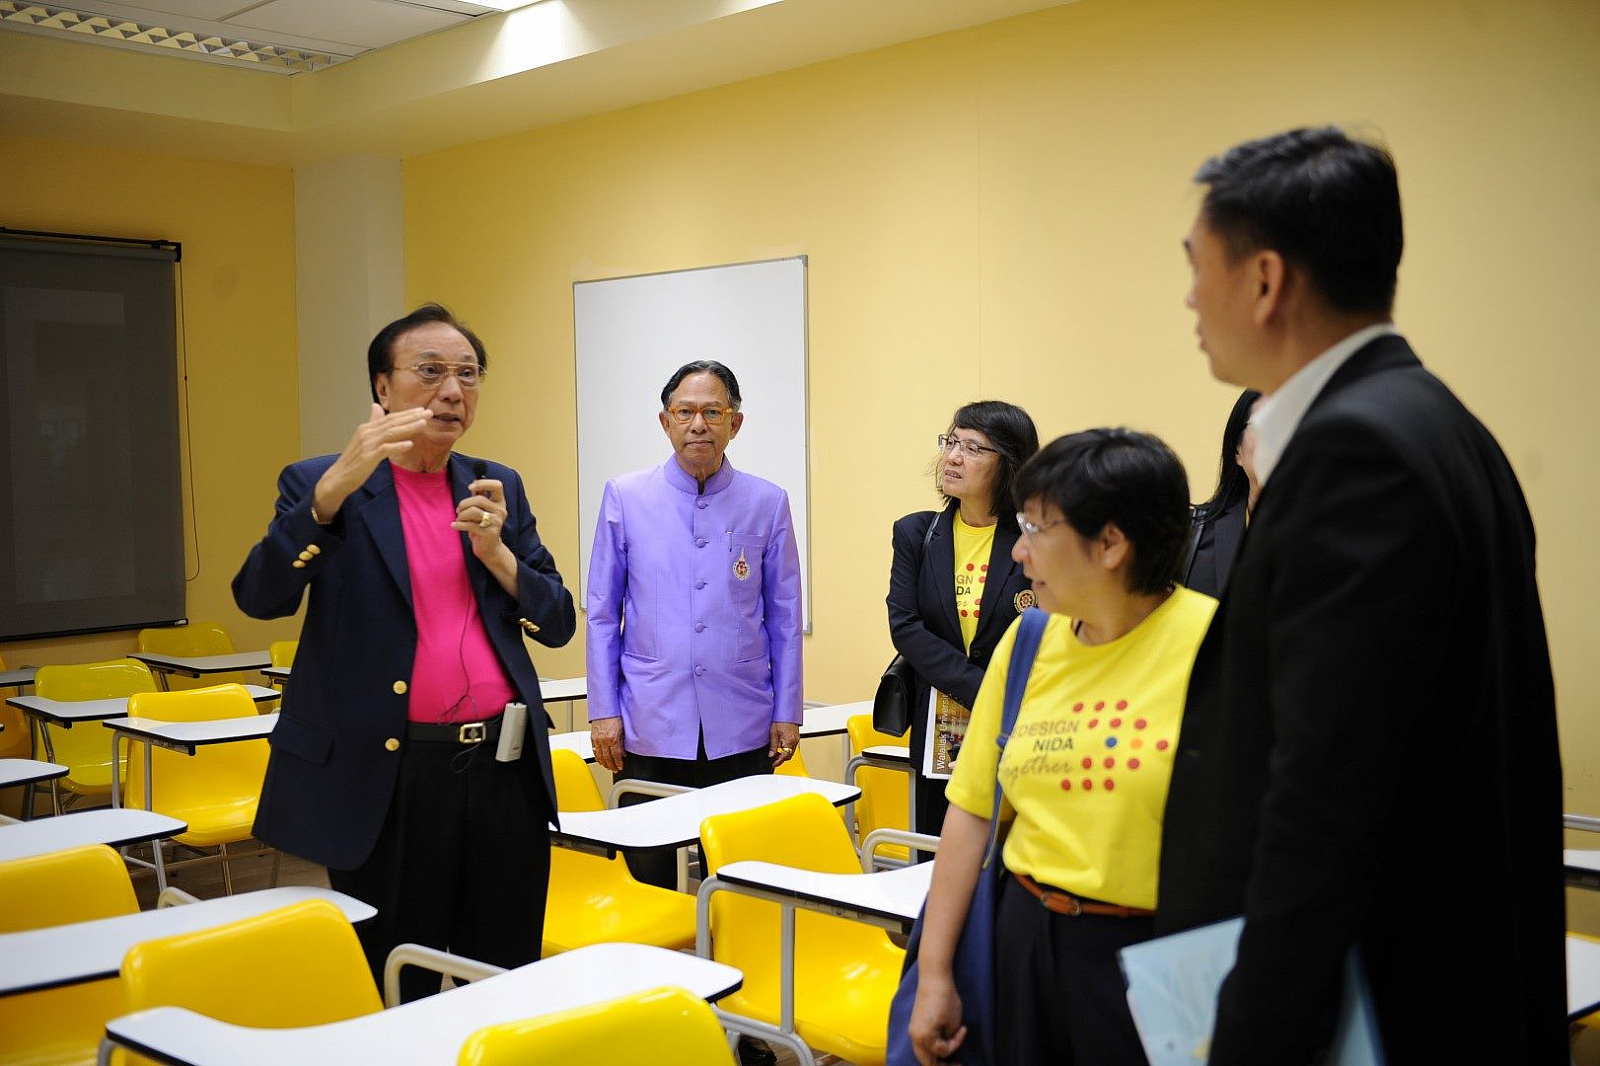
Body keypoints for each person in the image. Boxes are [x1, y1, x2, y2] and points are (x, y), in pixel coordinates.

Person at [1159, 127, 1564, 1062]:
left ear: (1265, 280)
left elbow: (1323, 802)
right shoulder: (1442, 424)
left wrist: (1249, 1038)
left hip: (1371, 1010)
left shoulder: (1356, 454)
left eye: (1196, 265)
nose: (1188, 297)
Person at [233, 304, 575, 1001]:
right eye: (431, 372)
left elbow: (559, 621)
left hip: (503, 769)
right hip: (390, 776)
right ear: (382, 388)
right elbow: (260, 597)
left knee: (504, 971)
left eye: (468, 375)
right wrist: (331, 494)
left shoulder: (495, 484)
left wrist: (498, 556)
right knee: (399, 972)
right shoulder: (323, 482)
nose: (452, 391)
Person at [908, 428, 1217, 1066]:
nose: (1018, 551)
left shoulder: (1219, 647)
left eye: (1035, 529)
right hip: (1023, 934)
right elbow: (971, 814)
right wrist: (935, 972)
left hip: (1155, 954)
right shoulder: (1030, 641)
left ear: (1111, 544)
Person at [586, 359, 803, 889]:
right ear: (665, 422)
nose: (698, 424)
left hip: (743, 718)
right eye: (685, 412)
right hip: (650, 718)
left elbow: (784, 615)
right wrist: (604, 711)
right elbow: (602, 612)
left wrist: (787, 710)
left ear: (736, 423)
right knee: (649, 874)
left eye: (713, 412)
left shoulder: (767, 502)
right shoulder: (625, 497)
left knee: (740, 877)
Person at [886, 400, 1039, 838]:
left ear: (1008, 464)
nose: (953, 457)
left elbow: (1049, 629)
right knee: (936, 848)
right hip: (941, 726)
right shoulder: (916, 533)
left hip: (1019, 724)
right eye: (951, 442)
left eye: (973, 448)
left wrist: (1001, 699)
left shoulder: (1034, 539)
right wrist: (981, 689)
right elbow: (906, 627)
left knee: (1008, 851)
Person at [1181, 388, 1261, 598]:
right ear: (1237, 452)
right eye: (1262, 427)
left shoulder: (1332, 535)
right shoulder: (1188, 535)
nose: (1277, 439)